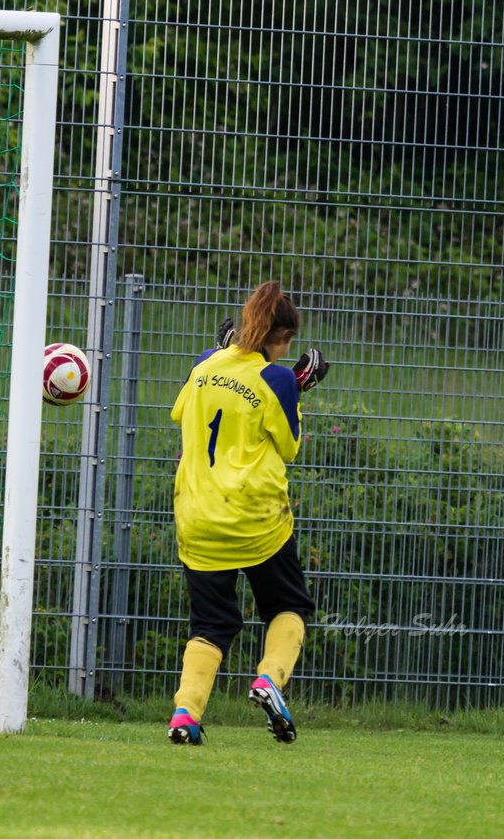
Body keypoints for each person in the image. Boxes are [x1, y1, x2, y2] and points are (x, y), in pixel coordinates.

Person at [167, 280, 329, 745]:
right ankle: (269, 680)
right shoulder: (276, 377)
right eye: (287, 343)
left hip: (197, 515)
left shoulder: (204, 362)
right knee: (288, 605)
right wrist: (297, 387)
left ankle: (185, 715)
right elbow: (289, 446)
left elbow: (183, 412)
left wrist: (224, 359)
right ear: (280, 337)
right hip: (256, 518)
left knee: (210, 625)